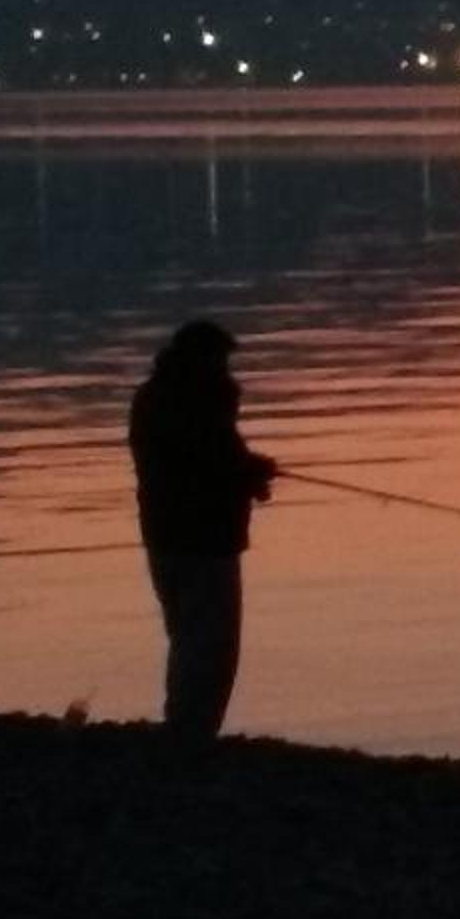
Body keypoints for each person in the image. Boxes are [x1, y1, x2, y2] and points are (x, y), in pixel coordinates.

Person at [127, 318, 277, 742]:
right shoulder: (201, 403)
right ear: (203, 358)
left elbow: (208, 461)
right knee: (212, 640)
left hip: (164, 534)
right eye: (221, 359)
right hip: (205, 541)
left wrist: (249, 472)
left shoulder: (155, 397)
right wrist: (250, 474)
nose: (227, 368)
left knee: (187, 634)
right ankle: (194, 730)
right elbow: (208, 465)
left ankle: (184, 724)